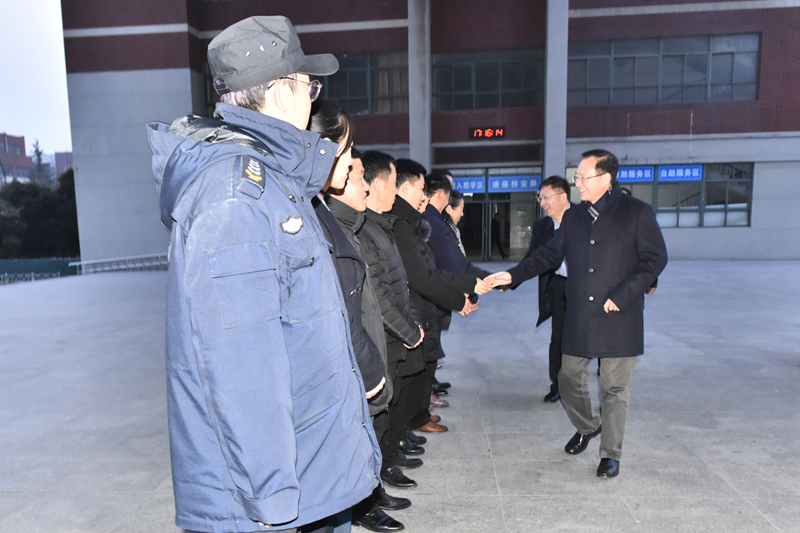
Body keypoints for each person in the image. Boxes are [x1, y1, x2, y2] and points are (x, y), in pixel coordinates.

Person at [147, 16, 380, 532]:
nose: (314, 100)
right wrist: (273, 501)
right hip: (278, 497)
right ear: (278, 91)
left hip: (310, 471)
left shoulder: (276, 180)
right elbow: (241, 365)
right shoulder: (236, 196)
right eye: (308, 86)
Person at [487, 149, 667, 479]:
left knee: (614, 389)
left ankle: (610, 454)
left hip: (619, 316)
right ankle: (588, 426)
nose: (578, 183)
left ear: (606, 178)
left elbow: (655, 259)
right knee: (568, 378)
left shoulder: (636, 212)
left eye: (584, 177)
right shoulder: (574, 218)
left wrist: (623, 295)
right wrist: (513, 276)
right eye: (577, 177)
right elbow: (548, 255)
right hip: (581, 314)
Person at [390, 159, 491, 436]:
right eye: (422, 189)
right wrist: (461, 299)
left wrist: (471, 284)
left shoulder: (413, 222)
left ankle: (413, 420)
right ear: (405, 187)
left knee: (422, 366)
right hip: (413, 310)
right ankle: (402, 432)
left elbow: (434, 271)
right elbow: (425, 277)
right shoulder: (401, 224)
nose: (425, 196)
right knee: (411, 373)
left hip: (424, 307)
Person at [358, 150, 426, 491]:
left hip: (396, 336)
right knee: (380, 413)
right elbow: (380, 295)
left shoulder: (382, 225)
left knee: (391, 406)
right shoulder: (365, 229)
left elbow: (402, 285)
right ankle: (377, 481)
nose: (397, 191)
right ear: (378, 185)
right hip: (383, 338)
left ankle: (385, 467)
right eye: (394, 182)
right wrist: (410, 330)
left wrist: (412, 322)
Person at [520, 175, 574, 403]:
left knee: (585, 335)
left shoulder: (584, 219)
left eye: (546, 197)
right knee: (558, 336)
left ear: (563, 196)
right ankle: (557, 385)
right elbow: (532, 258)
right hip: (558, 285)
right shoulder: (542, 226)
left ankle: (580, 381)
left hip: (583, 286)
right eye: (540, 198)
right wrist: (509, 280)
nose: (542, 203)